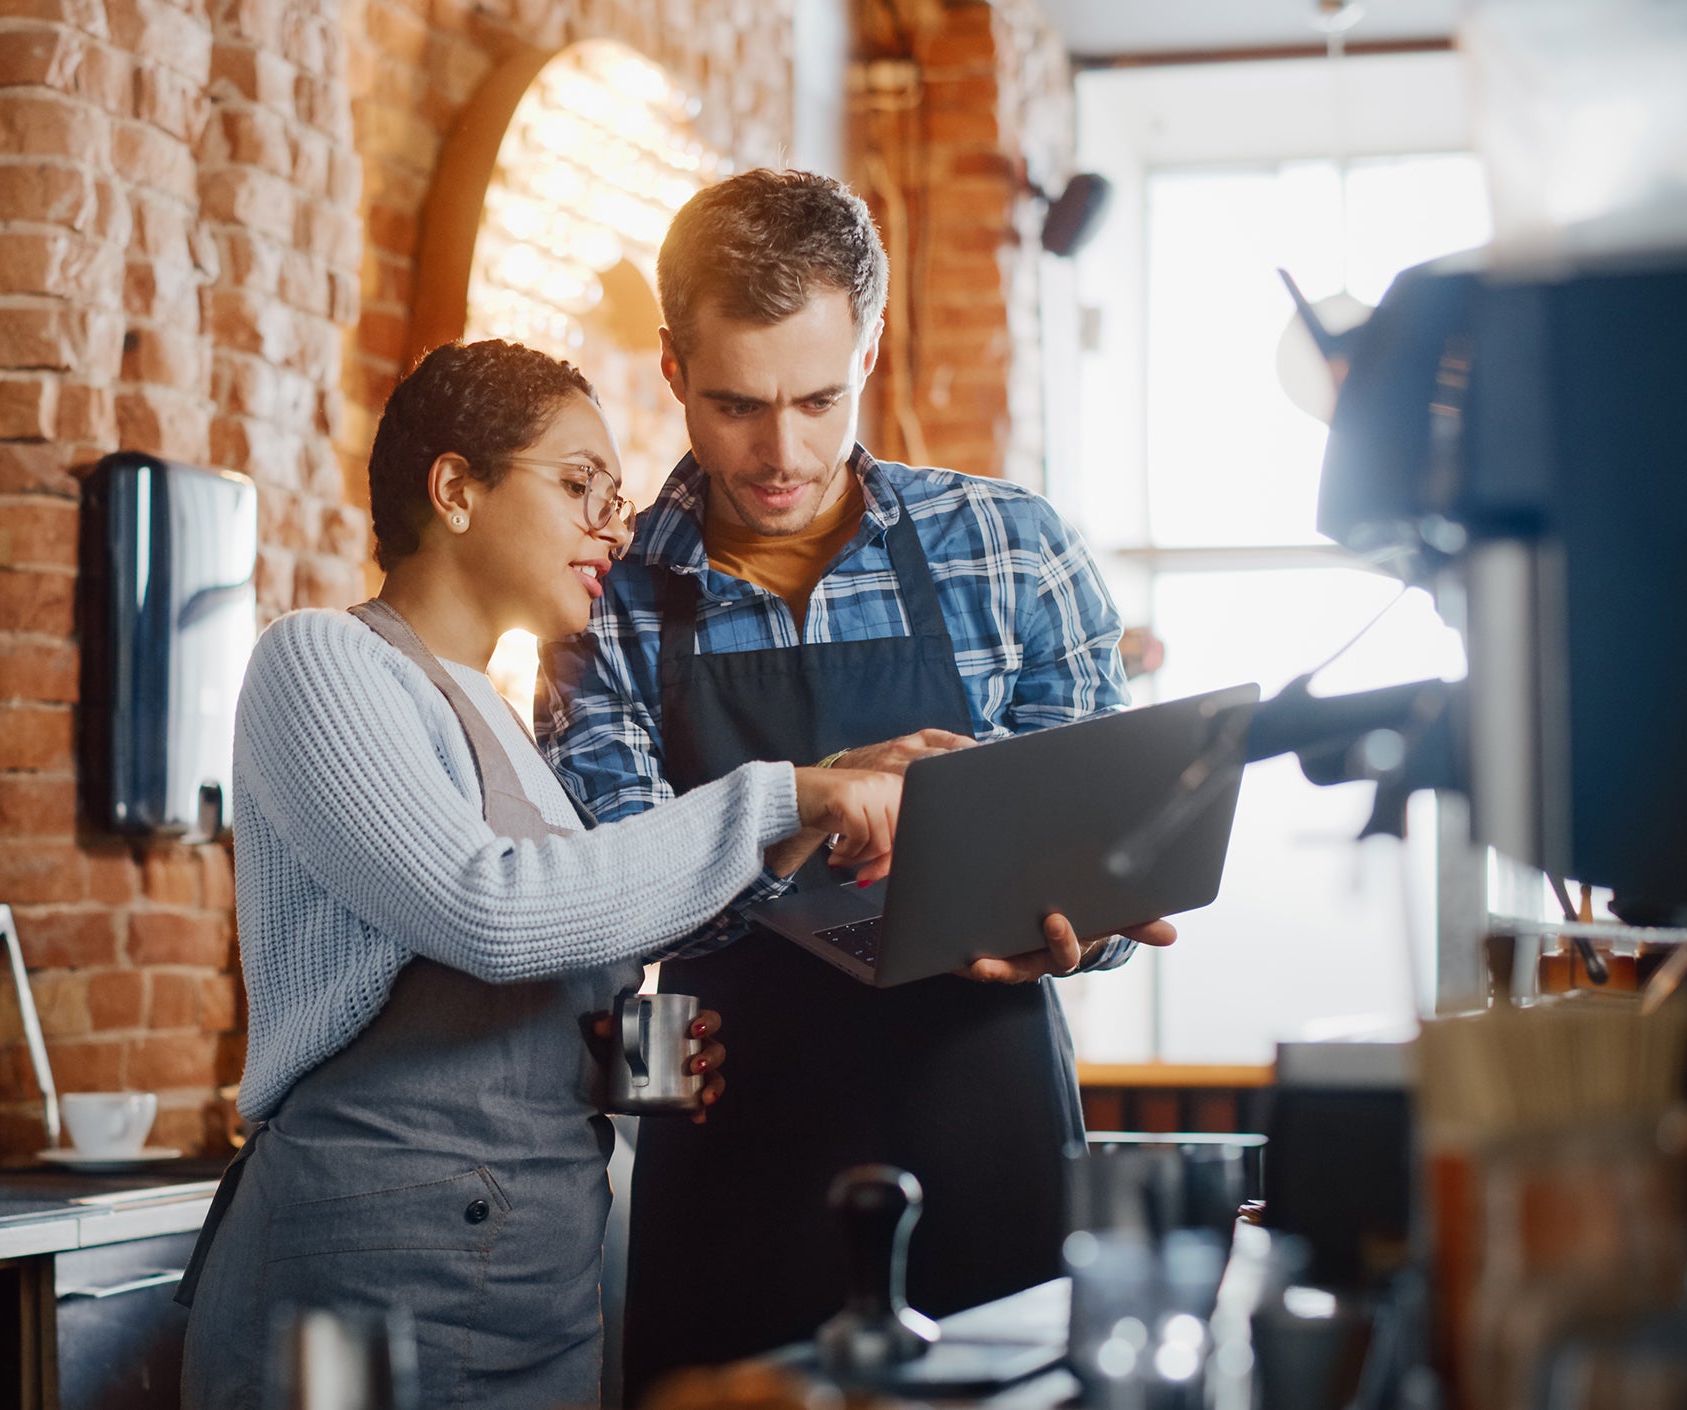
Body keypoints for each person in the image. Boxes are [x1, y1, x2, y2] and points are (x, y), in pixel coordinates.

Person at [536, 169, 1181, 1391]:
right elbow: (605, 892)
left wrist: (1081, 929)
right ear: (671, 366)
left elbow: (1104, 862)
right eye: (735, 405)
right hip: (737, 1143)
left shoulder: (1012, 548)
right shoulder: (602, 599)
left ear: (871, 347)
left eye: (819, 398)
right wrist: (816, 798)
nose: (781, 452)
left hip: (987, 1121)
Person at [178, 339, 908, 1410]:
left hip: (532, 1292)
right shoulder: (321, 663)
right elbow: (489, 910)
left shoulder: (509, 727)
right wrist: (785, 796)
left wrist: (604, 1060)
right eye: (581, 487)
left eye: (615, 497)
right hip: (363, 1290)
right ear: (456, 488)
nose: (612, 524)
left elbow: (525, 955)